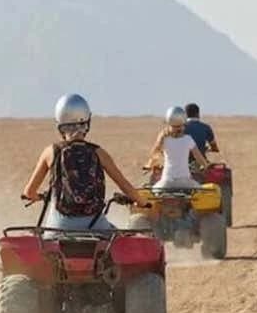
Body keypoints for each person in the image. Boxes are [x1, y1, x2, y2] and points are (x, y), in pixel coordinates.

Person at [23, 94, 148, 231]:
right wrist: (142, 202)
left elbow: (29, 192)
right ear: (87, 122)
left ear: (60, 124)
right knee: (123, 243)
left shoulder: (50, 152)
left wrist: (41, 196)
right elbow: (125, 185)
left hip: (58, 228)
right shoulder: (99, 153)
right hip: (96, 227)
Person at [148, 106, 209, 190]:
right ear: (184, 124)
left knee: (151, 191)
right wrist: (206, 166)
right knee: (203, 192)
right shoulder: (188, 139)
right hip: (185, 182)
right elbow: (198, 157)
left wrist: (149, 166)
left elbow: (155, 156)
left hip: (166, 182)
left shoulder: (163, 139)